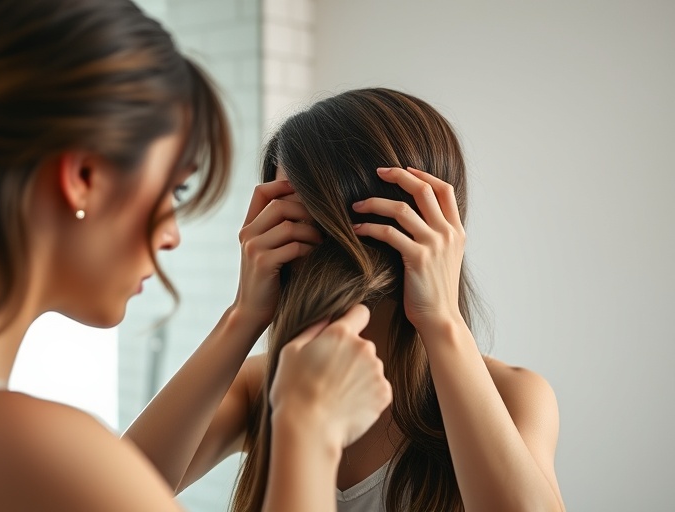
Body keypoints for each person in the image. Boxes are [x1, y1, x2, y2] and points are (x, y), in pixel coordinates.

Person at [0, 1, 392, 511]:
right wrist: (309, 431)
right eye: (173, 189)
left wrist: (243, 317)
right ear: (84, 176)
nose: (172, 234)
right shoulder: (18, 444)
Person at [126, 88, 566, 511]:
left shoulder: (510, 395)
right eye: (283, 214)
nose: (290, 235)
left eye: (307, 215)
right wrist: (243, 315)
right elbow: (108, 487)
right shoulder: (264, 387)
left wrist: (443, 320)